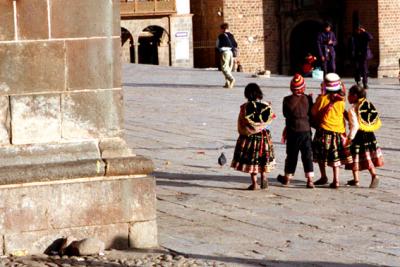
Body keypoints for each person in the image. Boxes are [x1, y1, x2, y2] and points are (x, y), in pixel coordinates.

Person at [231, 83, 276, 190]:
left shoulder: (244, 108)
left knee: (253, 160)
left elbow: (241, 123)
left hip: (250, 138)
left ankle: (254, 183)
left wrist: (244, 132)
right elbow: (271, 119)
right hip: (264, 137)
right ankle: (264, 176)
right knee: (263, 159)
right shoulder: (265, 106)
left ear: (247, 95)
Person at [311, 73, 352, 189]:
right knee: (336, 156)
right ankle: (336, 180)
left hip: (323, 131)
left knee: (320, 155)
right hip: (338, 132)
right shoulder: (341, 100)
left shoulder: (322, 99)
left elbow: (313, 112)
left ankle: (323, 176)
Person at [277, 74, 315, 188]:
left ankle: (287, 178)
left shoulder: (286, 100)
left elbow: (285, 114)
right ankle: (310, 180)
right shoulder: (308, 98)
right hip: (306, 131)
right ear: (303, 87)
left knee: (291, 155)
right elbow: (311, 113)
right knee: (307, 155)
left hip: (292, 131)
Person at [345, 85, 384, 188]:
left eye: (349, 95)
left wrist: (349, 138)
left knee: (356, 157)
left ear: (354, 96)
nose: (347, 97)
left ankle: (364, 178)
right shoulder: (367, 104)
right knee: (366, 157)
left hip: (358, 136)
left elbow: (355, 126)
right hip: (370, 134)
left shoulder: (353, 109)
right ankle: (365, 177)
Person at [216, 23, 238, 88]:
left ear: (222, 29)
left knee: (224, 68)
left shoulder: (221, 36)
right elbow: (235, 44)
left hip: (225, 53)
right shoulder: (231, 35)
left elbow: (217, 45)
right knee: (229, 69)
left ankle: (231, 79)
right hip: (231, 53)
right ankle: (227, 83)